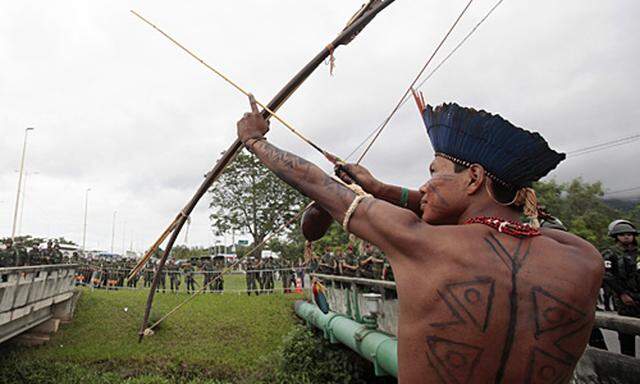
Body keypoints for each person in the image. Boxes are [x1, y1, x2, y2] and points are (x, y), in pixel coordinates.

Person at [237, 96, 602, 383]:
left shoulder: (419, 242)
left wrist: (253, 139)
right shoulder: (583, 258)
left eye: (433, 174)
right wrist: (379, 188)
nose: (424, 187)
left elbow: (321, 185)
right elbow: (523, 223)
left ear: (473, 178)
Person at [602, 219, 640, 357]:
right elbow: (607, 275)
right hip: (624, 298)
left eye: (629, 234)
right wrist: (622, 293)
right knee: (626, 337)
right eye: (622, 234)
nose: (626, 236)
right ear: (616, 236)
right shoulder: (610, 254)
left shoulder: (638, 252)